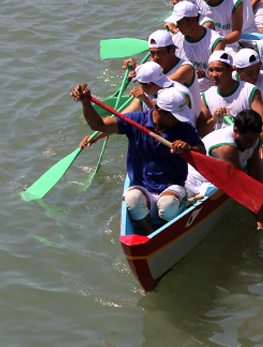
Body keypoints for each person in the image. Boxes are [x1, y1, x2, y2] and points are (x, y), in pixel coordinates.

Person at [72, 82, 204, 235]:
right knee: (133, 198)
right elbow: (99, 125)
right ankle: (152, 234)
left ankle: (166, 232)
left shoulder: (185, 128)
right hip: (144, 188)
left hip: (172, 187)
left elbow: (201, 152)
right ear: (161, 111)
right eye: (176, 116)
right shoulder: (134, 121)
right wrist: (86, 103)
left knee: (168, 205)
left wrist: (188, 148)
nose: (180, 120)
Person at [186, 109, 263, 228]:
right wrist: (260, 219)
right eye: (249, 139)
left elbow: (254, 171)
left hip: (216, 175)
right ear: (235, 130)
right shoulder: (227, 147)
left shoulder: (255, 139)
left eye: (255, 139)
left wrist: (262, 202)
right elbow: (240, 184)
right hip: (196, 180)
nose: (252, 143)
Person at [196, 51, 263, 145]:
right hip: (219, 147)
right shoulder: (207, 96)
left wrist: (258, 146)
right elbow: (201, 131)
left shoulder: (250, 91)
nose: (214, 75)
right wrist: (214, 119)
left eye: (218, 70)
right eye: (211, 70)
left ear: (231, 70)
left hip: (244, 146)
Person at [166, 0, 225, 91]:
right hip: (181, 89)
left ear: (192, 19)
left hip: (207, 91)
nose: (177, 26)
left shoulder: (216, 41)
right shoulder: (175, 39)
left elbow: (220, 75)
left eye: (180, 22)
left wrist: (202, 73)